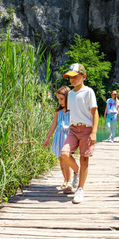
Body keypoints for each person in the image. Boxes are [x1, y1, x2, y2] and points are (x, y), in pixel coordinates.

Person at [60, 63, 99, 204]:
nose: (72, 79)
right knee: (64, 154)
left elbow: (95, 113)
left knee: (84, 159)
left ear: (83, 77)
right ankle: (76, 171)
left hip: (87, 129)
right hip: (73, 129)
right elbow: (72, 112)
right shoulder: (70, 94)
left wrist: (93, 132)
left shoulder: (89, 92)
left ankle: (80, 189)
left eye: (75, 77)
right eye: (70, 77)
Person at [43, 86, 73, 193]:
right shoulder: (58, 111)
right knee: (61, 162)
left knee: (67, 160)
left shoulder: (72, 110)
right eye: (58, 99)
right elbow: (53, 125)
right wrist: (48, 138)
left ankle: (69, 182)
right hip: (59, 137)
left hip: (68, 137)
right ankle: (65, 179)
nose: (59, 101)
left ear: (68, 98)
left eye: (62, 99)